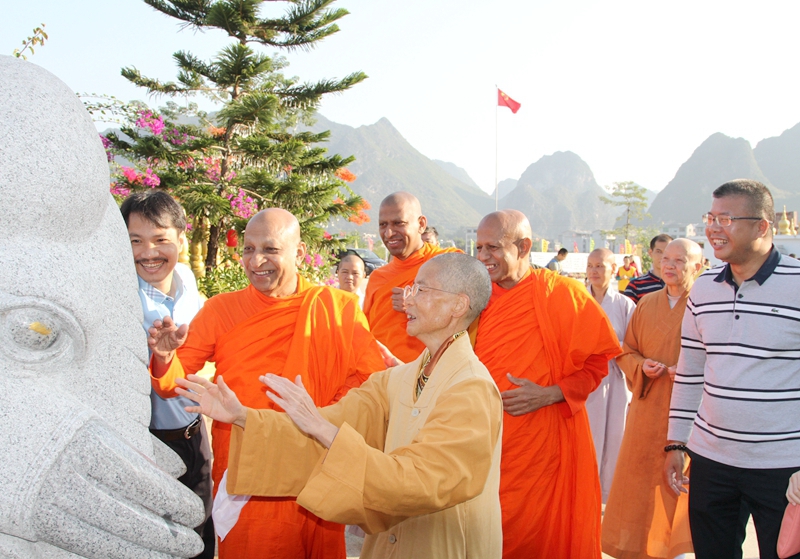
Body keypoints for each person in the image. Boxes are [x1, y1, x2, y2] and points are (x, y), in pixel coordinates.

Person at [174, 253, 503, 558]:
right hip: (391, 541)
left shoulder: (471, 388)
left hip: (443, 545)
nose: (408, 298)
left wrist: (326, 431)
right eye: (410, 286)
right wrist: (243, 416)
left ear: (458, 305)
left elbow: (425, 482)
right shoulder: (399, 378)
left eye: (422, 289)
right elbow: (336, 419)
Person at [147, 208, 387, 559]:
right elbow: (173, 383)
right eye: (248, 249)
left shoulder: (338, 308)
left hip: (316, 463)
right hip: (251, 475)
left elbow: (369, 384)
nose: (256, 261)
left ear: (299, 253)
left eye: (270, 250)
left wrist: (316, 417)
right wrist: (166, 357)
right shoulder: (221, 310)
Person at [472, 210, 622, 558]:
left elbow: (598, 362)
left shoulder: (562, 294)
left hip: (543, 446)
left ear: (523, 246)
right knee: (484, 534)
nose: (482, 257)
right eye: (478, 248)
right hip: (482, 441)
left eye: (492, 247)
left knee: (538, 535)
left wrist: (552, 394)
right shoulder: (476, 299)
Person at [665, 179, 800, 559]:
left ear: (762, 226)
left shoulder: (796, 284)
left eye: (726, 218)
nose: (713, 228)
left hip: (784, 467)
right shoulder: (704, 289)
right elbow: (691, 371)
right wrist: (677, 442)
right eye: (711, 217)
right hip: (712, 461)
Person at [120, 191, 215, 558]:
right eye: (135, 241)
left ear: (180, 238)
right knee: (156, 543)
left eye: (161, 239)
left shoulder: (188, 281)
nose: (149, 252)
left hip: (194, 435)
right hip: (145, 442)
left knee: (202, 536)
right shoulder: (121, 297)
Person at [602, 239, 703, 559]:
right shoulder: (646, 303)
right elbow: (626, 351)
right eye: (665, 259)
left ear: (697, 267)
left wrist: (687, 371)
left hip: (687, 412)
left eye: (679, 260)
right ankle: (635, 547)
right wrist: (641, 366)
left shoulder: (704, 306)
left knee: (677, 486)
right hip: (646, 407)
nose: (669, 266)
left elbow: (720, 359)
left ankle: (675, 550)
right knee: (636, 483)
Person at [363, 192, 459, 362]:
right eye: (383, 225)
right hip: (380, 377)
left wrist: (421, 301)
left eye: (398, 223)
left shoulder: (448, 262)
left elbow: (467, 308)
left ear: (421, 224)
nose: (389, 233)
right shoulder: (378, 277)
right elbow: (367, 332)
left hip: (429, 378)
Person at [584, 248, 635, 503]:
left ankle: (609, 497)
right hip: (586, 380)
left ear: (613, 269)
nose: (594, 271)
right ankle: (585, 493)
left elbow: (635, 345)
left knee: (616, 436)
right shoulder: (579, 299)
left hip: (615, 378)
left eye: (600, 266)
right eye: (590, 266)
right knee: (587, 437)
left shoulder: (625, 305)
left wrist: (612, 345)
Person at [624, 234, 674, 303]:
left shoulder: (680, 284)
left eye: (667, 252)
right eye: (659, 251)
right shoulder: (636, 285)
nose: (663, 256)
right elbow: (628, 312)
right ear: (650, 252)